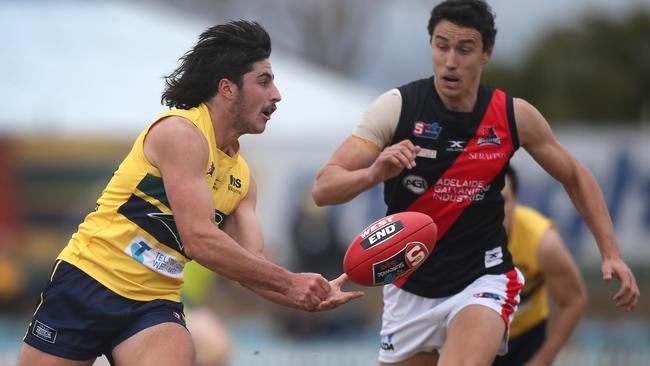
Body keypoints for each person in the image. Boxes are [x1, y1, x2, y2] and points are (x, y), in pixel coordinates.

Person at [311, 1, 639, 365]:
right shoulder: (396, 108)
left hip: (481, 281)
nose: (450, 60)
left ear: (486, 53)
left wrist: (611, 253)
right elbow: (324, 188)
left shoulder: (513, 115)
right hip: (409, 290)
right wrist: (372, 174)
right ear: (431, 46)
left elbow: (576, 176)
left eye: (464, 49)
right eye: (441, 46)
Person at [17, 20, 363, 366]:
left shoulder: (243, 180)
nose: (277, 94)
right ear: (227, 88)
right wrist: (290, 283)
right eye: (264, 81)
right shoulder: (180, 133)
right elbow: (199, 239)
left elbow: (250, 268)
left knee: (183, 350)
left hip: (154, 304)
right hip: (88, 283)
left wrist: (311, 296)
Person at [493, 166, 587, 366]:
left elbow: (574, 300)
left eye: (503, 199)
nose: (495, 208)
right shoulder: (458, 240)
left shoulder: (542, 243)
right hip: (474, 333)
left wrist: (542, 360)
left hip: (526, 338)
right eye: (487, 199)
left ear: (516, 201)